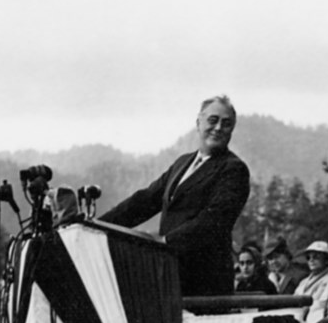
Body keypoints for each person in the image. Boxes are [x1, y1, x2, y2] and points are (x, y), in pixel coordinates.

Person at [100, 96, 250, 297]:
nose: (219, 128)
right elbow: (145, 201)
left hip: (205, 284)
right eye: (213, 120)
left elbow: (213, 221)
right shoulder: (182, 163)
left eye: (226, 123)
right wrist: (98, 225)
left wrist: (165, 242)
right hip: (169, 275)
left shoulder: (234, 169)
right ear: (198, 122)